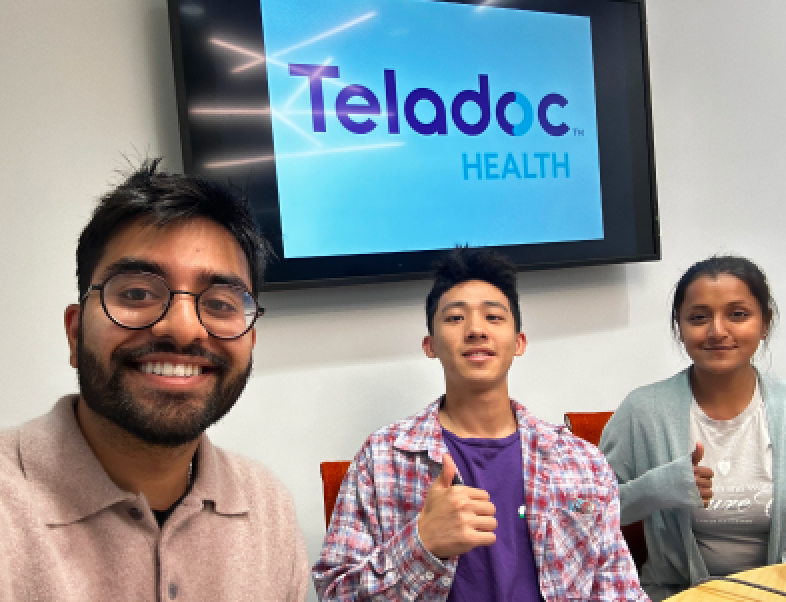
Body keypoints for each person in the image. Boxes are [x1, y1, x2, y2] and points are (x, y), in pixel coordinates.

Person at [0, 160, 309, 600]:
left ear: (250, 340)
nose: (184, 329)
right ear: (74, 333)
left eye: (220, 303)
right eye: (138, 294)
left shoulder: (267, 505)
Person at [313, 247, 646, 601]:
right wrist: (421, 545)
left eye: (493, 317)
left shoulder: (581, 462)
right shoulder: (382, 458)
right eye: (455, 318)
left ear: (519, 343)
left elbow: (619, 591)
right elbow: (335, 593)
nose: (475, 330)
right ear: (430, 345)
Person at [600, 255, 786, 601]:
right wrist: (657, 487)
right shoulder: (643, 411)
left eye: (738, 314)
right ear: (679, 327)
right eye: (699, 318)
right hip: (679, 594)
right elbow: (586, 513)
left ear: (765, 323)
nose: (717, 330)